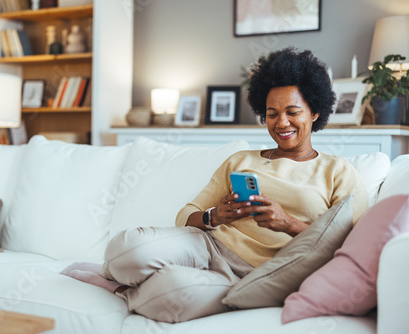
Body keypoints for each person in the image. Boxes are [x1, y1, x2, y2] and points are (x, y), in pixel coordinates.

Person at [65, 47, 368, 323]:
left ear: (315, 112)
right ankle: (116, 271)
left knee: (170, 295)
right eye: (272, 114)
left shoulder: (338, 171)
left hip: (258, 276)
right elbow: (187, 215)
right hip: (209, 245)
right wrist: (217, 216)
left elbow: (353, 247)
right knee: (125, 249)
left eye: (293, 112)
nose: (281, 123)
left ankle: (118, 287)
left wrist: (287, 223)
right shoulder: (241, 160)